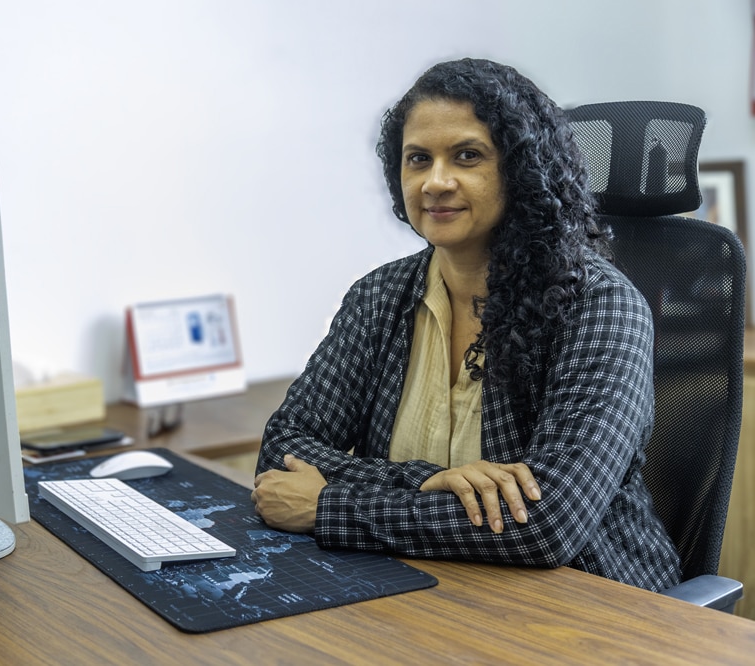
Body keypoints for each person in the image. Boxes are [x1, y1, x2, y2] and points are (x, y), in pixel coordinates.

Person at [250, 58, 681, 592]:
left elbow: (544, 526)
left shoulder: (598, 306)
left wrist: (329, 506)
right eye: (417, 159)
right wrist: (427, 481)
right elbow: (283, 453)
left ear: (522, 171)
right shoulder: (380, 297)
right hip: (422, 587)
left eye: (467, 156)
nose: (435, 182)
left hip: (592, 605)